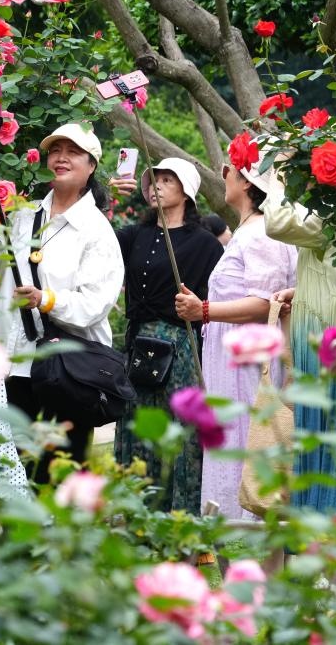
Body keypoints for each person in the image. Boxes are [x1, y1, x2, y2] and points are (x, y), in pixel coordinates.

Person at [0, 122, 124, 485]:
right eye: (56, 151)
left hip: (68, 372)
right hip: (14, 368)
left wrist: (47, 300)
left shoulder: (97, 230)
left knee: (59, 478)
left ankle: (62, 541)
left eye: (73, 152)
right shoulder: (22, 215)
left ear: (91, 166)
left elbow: (96, 303)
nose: (62, 158)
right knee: (11, 473)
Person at [174, 159, 298, 520]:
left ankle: (258, 544)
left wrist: (205, 310)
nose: (223, 174)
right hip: (232, 364)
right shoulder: (247, 230)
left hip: (250, 364)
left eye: (228, 169)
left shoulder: (261, 233)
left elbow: (266, 301)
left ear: (246, 182)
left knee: (249, 446)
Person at [114, 158, 223, 514]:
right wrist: (106, 197)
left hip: (183, 346)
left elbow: (215, 301)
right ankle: (138, 517)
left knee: (183, 434)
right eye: (154, 180)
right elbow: (95, 245)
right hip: (138, 346)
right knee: (138, 429)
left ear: (186, 191)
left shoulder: (205, 244)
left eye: (166, 179)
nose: (157, 185)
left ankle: (184, 519)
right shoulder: (133, 235)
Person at [262, 194, 336, 514]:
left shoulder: (333, 206)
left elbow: (277, 223)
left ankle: (326, 520)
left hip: (327, 327)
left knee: (327, 427)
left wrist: (278, 178)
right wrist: (299, 291)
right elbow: (334, 270)